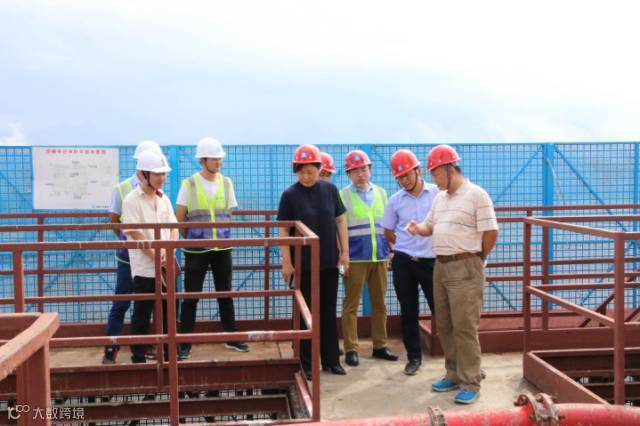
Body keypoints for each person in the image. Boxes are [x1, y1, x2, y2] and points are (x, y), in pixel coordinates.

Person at [407, 144, 498, 404]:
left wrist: (477, 258)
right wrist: (417, 228)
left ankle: (471, 381)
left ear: (450, 169)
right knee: (445, 324)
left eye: (436, 174)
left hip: (465, 266)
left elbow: (491, 232)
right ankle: (453, 373)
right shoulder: (441, 198)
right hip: (441, 266)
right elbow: (430, 225)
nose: (434, 180)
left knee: (464, 326)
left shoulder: (476, 195)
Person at [277, 144, 350, 380]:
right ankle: (306, 363)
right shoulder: (289, 195)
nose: (306, 176)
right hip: (303, 265)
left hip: (328, 262)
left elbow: (340, 221)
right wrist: (287, 262)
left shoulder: (330, 190)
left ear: (320, 169)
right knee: (304, 313)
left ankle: (331, 360)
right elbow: (283, 230)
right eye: (301, 172)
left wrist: (345, 252)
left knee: (328, 311)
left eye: (310, 171)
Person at [175, 137, 248, 358]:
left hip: (222, 249)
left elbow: (229, 214)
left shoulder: (227, 183)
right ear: (203, 160)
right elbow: (179, 218)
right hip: (196, 250)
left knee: (225, 294)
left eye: (220, 158)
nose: (219, 162)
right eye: (214, 159)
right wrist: (194, 238)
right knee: (191, 297)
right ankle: (184, 342)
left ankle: (231, 336)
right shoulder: (189, 184)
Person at [102, 140, 163, 364]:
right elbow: (113, 220)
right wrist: (128, 238)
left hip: (150, 258)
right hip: (128, 258)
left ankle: (145, 345)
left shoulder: (158, 190)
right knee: (123, 302)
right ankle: (111, 348)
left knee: (148, 303)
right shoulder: (122, 189)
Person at [380, 149, 438, 376]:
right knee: (408, 310)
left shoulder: (437, 194)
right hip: (404, 262)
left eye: (407, 175)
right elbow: (388, 230)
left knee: (441, 310)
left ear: (418, 170)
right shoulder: (395, 201)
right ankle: (414, 357)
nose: (404, 180)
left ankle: (455, 360)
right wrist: (403, 247)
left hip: (431, 261)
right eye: (400, 177)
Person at [339, 150, 398, 367]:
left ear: (370, 170)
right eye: (355, 170)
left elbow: (388, 225)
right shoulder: (343, 195)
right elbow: (339, 228)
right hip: (355, 257)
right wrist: (343, 255)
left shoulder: (381, 193)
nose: (360, 174)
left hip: (379, 257)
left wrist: (391, 250)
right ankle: (351, 349)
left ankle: (380, 346)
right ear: (348, 174)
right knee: (351, 305)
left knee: (380, 303)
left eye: (363, 169)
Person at [121, 149, 179, 364]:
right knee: (142, 312)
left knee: (168, 310)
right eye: (157, 174)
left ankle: (169, 354)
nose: (162, 178)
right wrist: (156, 255)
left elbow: (174, 227)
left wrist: (169, 250)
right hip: (145, 268)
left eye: (163, 174)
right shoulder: (131, 200)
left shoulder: (164, 199)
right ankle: (138, 356)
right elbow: (134, 233)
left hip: (165, 264)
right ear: (143, 174)